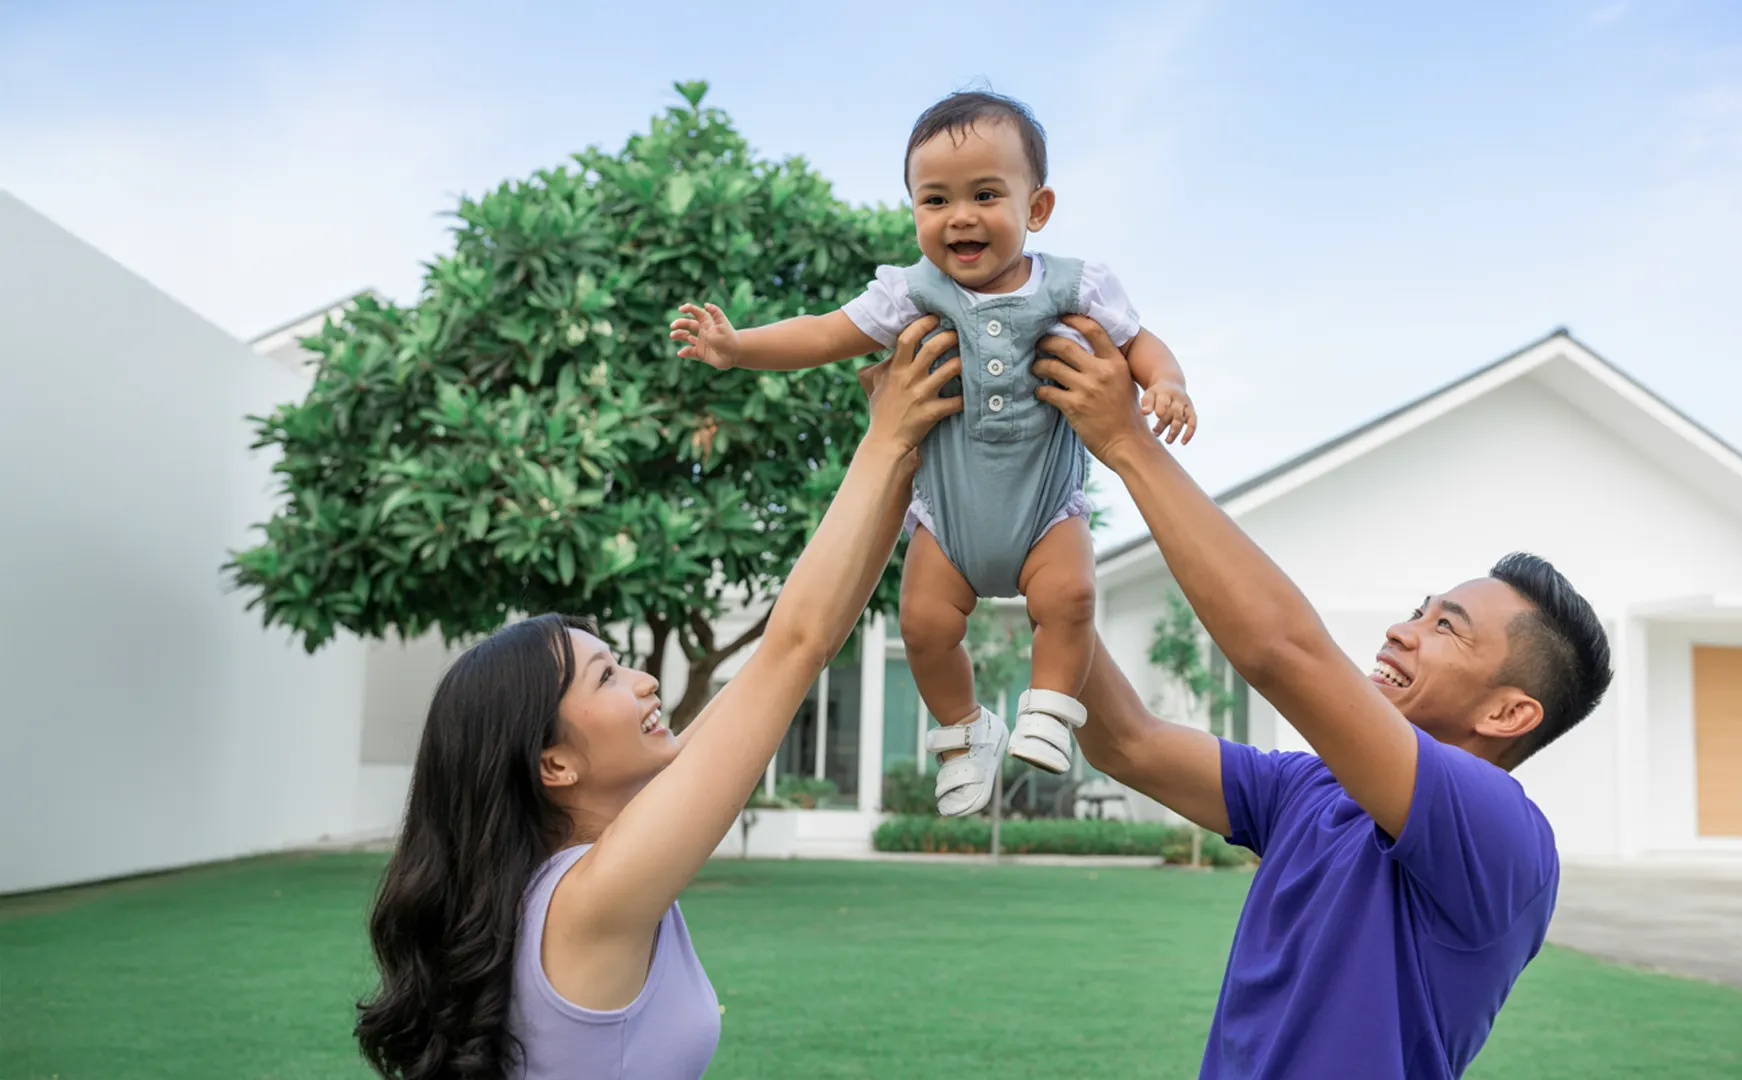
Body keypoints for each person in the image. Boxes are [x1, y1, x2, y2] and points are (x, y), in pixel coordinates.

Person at [351, 317, 963, 1080]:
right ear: (554, 764)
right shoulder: (591, 900)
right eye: (607, 677)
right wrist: (886, 437)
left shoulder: (565, 885)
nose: (645, 681)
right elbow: (793, 649)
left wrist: (908, 455)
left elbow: (803, 647)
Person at [1028, 316, 1614, 1079]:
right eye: (1419, 610)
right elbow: (1128, 743)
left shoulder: (1499, 833)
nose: (1403, 631)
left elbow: (1283, 654)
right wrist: (1050, 588)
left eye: (1446, 628)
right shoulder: (1312, 791)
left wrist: (1127, 441)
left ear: (1507, 714)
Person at [669, 89, 1198, 820]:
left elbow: (1141, 343)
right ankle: (965, 730)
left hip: (1045, 508)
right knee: (921, 624)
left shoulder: (1076, 286)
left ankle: (1049, 707)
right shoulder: (910, 294)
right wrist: (739, 348)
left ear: (1037, 208)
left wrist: (1166, 382)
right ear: (914, 210)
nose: (960, 217)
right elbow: (825, 332)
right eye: (936, 200)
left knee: (1071, 599)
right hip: (946, 520)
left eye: (986, 195)